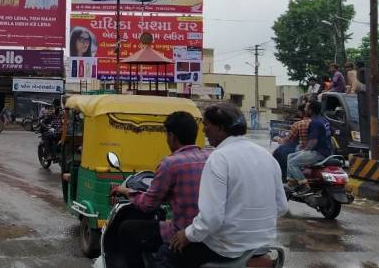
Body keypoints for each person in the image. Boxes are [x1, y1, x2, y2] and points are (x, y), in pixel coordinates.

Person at [167, 103, 288, 268]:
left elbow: (211, 219)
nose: (204, 131)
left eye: (207, 125)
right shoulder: (267, 157)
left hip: (226, 250)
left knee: (167, 253)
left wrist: (187, 235)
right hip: (262, 247)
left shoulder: (219, 158)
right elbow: (281, 207)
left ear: (221, 128)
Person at [110, 112, 208, 268]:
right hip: (208, 232)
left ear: (172, 136)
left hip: (182, 232)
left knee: (126, 229)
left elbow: (148, 204)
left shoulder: (170, 164)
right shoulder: (210, 157)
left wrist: (125, 191)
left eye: (167, 135)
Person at [286, 99, 332, 194]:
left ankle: (304, 185)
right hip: (326, 151)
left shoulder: (314, 122)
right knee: (290, 156)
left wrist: (305, 151)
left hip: (318, 153)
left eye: (306, 107)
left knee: (292, 162)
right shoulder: (324, 120)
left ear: (310, 110)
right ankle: (291, 182)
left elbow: (313, 141)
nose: (305, 109)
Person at [273, 104, 311, 182]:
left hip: (302, 150)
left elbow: (288, 140)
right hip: (317, 151)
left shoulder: (299, 124)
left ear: (301, 112)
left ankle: (284, 179)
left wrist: (278, 139)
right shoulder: (320, 122)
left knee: (279, 153)